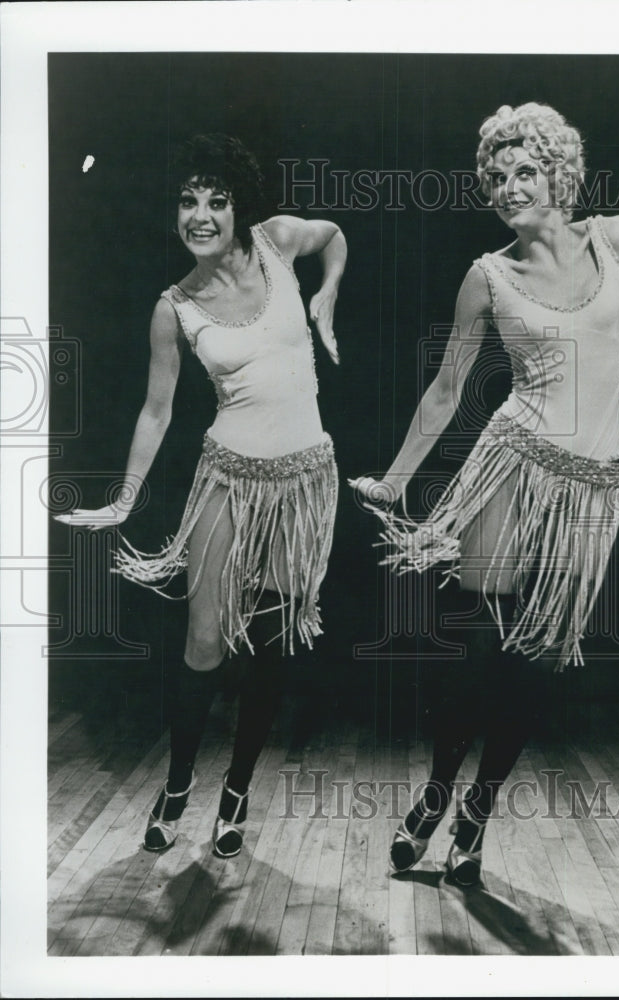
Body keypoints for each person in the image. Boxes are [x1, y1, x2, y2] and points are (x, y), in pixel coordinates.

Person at [351, 102, 619, 887]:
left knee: (537, 662)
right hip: (512, 464)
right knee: (482, 649)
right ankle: (436, 795)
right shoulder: (489, 277)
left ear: (559, 174)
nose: (509, 187)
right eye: (497, 177)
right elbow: (446, 393)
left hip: (594, 485)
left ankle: (476, 813)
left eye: (525, 172)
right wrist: (396, 481)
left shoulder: (612, 239)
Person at [56, 133, 346, 858]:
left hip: (304, 482)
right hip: (227, 478)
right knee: (206, 644)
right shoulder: (175, 307)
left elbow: (335, 234)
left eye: (216, 199)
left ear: (238, 202)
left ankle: (237, 793)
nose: (202, 214)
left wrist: (327, 294)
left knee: (272, 647)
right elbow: (155, 412)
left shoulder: (279, 244)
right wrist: (125, 500)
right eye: (188, 201)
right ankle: (179, 782)